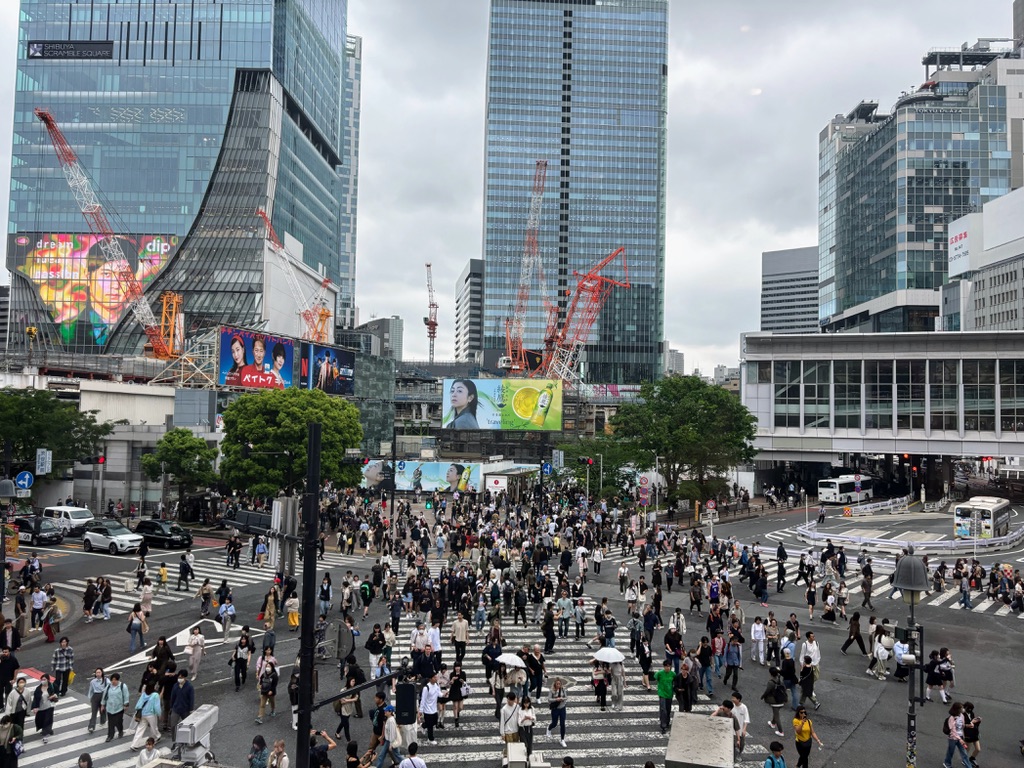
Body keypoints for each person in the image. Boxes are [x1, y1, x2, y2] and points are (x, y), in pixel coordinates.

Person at [101, 671, 130, 741]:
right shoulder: (108, 686)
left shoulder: (122, 686)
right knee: (110, 722)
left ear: (118, 680)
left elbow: (126, 696)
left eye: (115, 680)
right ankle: (110, 735)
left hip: (119, 708)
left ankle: (120, 731)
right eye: (112, 680)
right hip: (110, 708)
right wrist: (103, 704)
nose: (113, 681)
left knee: (118, 721)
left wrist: (126, 705)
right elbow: (104, 696)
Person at [130, 686, 162, 751]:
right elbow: (157, 706)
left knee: (140, 729)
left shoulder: (144, 694)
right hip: (151, 714)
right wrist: (159, 714)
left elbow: (139, 704)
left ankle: (134, 745)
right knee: (153, 727)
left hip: (143, 714)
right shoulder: (155, 695)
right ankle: (156, 737)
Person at [30, 671, 58, 743]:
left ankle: (45, 735)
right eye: (42, 679)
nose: (43, 681)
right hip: (41, 708)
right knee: (40, 720)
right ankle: (46, 730)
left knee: (48, 720)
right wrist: (35, 707)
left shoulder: (52, 686)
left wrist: (53, 696)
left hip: (49, 706)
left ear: (48, 680)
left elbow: (56, 694)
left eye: (44, 679)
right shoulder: (38, 689)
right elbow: (35, 699)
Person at [943, 702, 972, 768]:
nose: (963, 709)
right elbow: (953, 731)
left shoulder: (962, 715)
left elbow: (962, 725)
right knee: (951, 752)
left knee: (964, 753)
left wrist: (969, 725)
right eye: (961, 708)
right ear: (957, 709)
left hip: (960, 736)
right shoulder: (951, 718)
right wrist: (960, 739)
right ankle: (947, 763)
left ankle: (969, 766)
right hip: (953, 738)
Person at [168, 670, 195, 736]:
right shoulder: (175, 686)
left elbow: (191, 699)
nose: (179, 679)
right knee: (173, 725)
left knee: (187, 725)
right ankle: (174, 738)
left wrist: (191, 709)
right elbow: (173, 697)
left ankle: (188, 737)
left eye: (181, 677)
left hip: (185, 710)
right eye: (179, 677)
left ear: (185, 677)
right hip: (176, 709)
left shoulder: (189, 687)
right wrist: (171, 707)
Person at [654, 659, 675, 735]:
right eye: (666, 666)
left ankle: (667, 721)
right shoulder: (659, 673)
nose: (667, 668)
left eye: (669, 666)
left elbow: (675, 682)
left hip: (669, 694)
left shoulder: (673, 674)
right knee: (663, 709)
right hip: (662, 694)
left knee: (668, 709)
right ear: (664, 667)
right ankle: (663, 725)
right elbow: (655, 677)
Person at [546, 677, 568, 748]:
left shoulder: (563, 689)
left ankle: (562, 739)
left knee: (562, 724)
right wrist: (556, 699)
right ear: (555, 684)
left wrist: (562, 699)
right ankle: (549, 728)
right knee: (554, 723)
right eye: (557, 684)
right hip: (555, 709)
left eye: (559, 684)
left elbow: (566, 697)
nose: (559, 685)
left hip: (562, 708)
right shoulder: (552, 690)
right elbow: (549, 699)